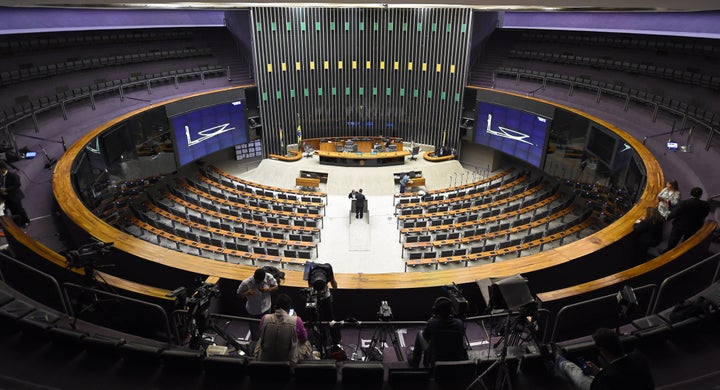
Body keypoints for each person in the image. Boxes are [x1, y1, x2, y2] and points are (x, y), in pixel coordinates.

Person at [553, 328, 654, 390]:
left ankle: (557, 359)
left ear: (603, 350)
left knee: (575, 373)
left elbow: (608, 380)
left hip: (601, 385)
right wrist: (598, 373)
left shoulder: (605, 377)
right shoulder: (639, 357)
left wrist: (599, 376)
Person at [410, 297, 467, 368]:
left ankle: (415, 364)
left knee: (420, 334)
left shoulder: (431, 323)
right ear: (451, 310)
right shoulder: (459, 323)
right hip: (457, 359)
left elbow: (426, 338)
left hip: (437, 361)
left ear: (435, 311)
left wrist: (431, 321)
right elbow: (463, 345)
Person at [254, 293, 312, 363]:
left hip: (265, 358)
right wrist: (295, 319)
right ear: (289, 308)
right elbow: (303, 339)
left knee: (260, 339)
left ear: (275, 307)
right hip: (287, 361)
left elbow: (261, 335)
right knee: (306, 343)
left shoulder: (264, 318)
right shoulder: (297, 320)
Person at [661, 186, 711, 252]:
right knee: (686, 242)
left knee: (674, 240)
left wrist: (668, 218)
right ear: (700, 195)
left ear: (691, 193)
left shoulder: (684, 202)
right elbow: (705, 214)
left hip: (679, 225)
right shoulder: (706, 205)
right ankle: (681, 253)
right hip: (694, 227)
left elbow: (675, 212)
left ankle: (668, 252)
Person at [237, 268, 278, 341]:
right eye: (257, 282)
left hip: (267, 309)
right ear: (254, 277)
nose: (259, 284)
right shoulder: (246, 283)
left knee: (267, 330)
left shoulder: (269, 277)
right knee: (255, 334)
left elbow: (276, 287)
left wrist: (268, 290)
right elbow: (238, 295)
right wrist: (247, 293)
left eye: (261, 282)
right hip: (253, 312)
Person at [307, 263, 342, 347]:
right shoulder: (328, 268)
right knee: (331, 320)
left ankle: (317, 341)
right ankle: (335, 341)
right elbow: (335, 286)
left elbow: (309, 285)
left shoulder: (309, 267)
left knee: (314, 320)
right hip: (322, 297)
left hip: (314, 296)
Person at [0, 161, 30, 227]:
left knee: (19, 210)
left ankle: (26, 221)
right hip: (6, 198)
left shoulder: (12, 174)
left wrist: (6, 189)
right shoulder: (1, 177)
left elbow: (17, 184)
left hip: (14, 196)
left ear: (3, 168)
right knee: (12, 211)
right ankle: (18, 224)